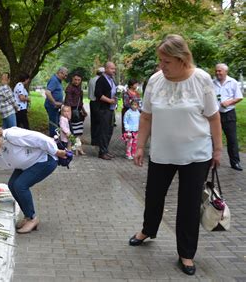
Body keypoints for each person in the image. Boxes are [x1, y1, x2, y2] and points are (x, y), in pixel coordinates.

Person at [129, 34, 222, 276]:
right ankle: (148, 230)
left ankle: (186, 254)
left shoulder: (201, 80)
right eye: (160, 60)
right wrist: (140, 146)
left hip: (196, 154)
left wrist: (218, 149)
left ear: (182, 59)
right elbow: (146, 116)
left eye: (166, 61)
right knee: (153, 196)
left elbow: (213, 117)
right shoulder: (155, 80)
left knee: (189, 205)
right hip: (161, 152)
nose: (161, 66)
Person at [213, 63, 243, 171]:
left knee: (232, 139)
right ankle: (212, 161)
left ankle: (235, 162)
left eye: (220, 71)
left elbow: (239, 97)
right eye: (216, 71)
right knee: (213, 138)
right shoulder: (212, 83)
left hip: (229, 114)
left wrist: (229, 102)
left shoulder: (233, 82)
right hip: (215, 114)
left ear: (226, 71)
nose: (217, 73)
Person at [94, 62, 117, 160]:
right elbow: (98, 94)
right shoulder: (101, 80)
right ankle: (102, 152)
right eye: (112, 69)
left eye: (114, 69)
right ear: (106, 69)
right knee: (104, 131)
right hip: (103, 109)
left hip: (111, 108)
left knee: (109, 130)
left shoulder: (111, 79)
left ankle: (106, 150)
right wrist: (109, 100)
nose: (114, 71)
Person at [64, 72, 87, 150]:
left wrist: (83, 110)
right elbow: (68, 102)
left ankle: (77, 146)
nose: (77, 81)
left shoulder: (79, 88)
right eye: (75, 79)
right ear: (72, 79)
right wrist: (69, 114)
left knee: (78, 130)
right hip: (71, 111)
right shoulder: (69, 88)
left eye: (79, 80)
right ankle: (71, 147)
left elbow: (80, 102)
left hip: (78, 111)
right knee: (72, 130)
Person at [44, 67, 68, 137]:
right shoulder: (54, 80)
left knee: (56, 123)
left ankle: (55, 139)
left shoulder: (58, 80)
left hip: (55, 107)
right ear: (60, 73)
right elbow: (47, 92)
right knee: (53, 124)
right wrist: (54, 102)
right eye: (65, 75)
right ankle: (53, 140)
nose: (65, 77)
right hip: (52, 106)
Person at [88, 67, 104, 146]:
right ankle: (98, 140)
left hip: (92, 102)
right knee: (99, 122)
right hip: (98, 102)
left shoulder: (91, 79)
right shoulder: (100, 80)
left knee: (93, 122)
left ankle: (93, 140)